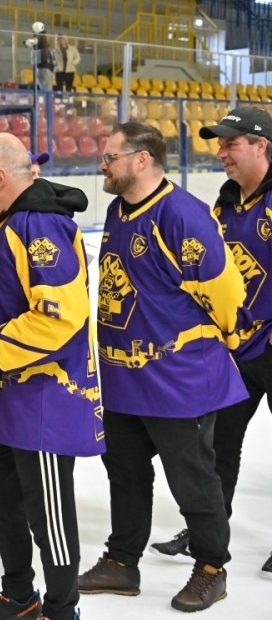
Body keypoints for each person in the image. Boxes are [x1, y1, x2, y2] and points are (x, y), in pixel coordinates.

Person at [77, 121, 251, 613]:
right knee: (125, 472)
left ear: (142, 159)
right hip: (123, 378)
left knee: (192, 478)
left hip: (179, 379)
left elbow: (225, 294)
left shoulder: (183, 215)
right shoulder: (117, 209)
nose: (102, 165)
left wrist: (220, 342)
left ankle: (212, 568)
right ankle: (122, 561)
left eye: (110, 156)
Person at [0, 133, 103, 620]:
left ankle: (61, 609)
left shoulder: (40, 225)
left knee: (47, 509)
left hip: (43, 396)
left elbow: (59, 315)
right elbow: (3, 297)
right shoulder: (2, 222)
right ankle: (19, 594)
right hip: (8, 393)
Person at [149, 108, 272, 579]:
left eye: (231, 143)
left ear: (261, 145)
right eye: (219, 143)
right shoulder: (224, 204)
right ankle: (207, 534)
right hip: (238, 348)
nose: (220, 152)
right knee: (219, 444)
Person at [33, 24, 55, 92]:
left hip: (40, 69)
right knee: (47, 89)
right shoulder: (43, 47)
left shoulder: (37, 45)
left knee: (43, 88)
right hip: (45, 69)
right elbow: (45, 58)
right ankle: (47, 99)